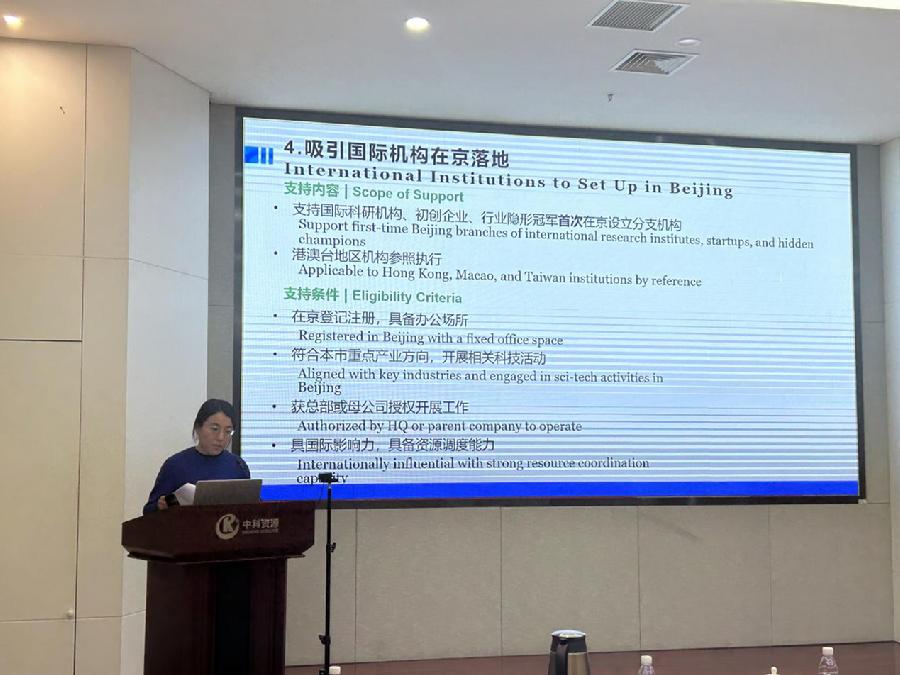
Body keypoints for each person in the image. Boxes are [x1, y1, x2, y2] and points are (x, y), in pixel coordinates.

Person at [143, 399, 250, 514]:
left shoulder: (238, 465)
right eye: (214, 429)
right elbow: (148, 511)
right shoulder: (175, 465)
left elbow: (251, 509)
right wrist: (160, 506)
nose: (221, 437)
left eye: (228, 431)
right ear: (198, 427)